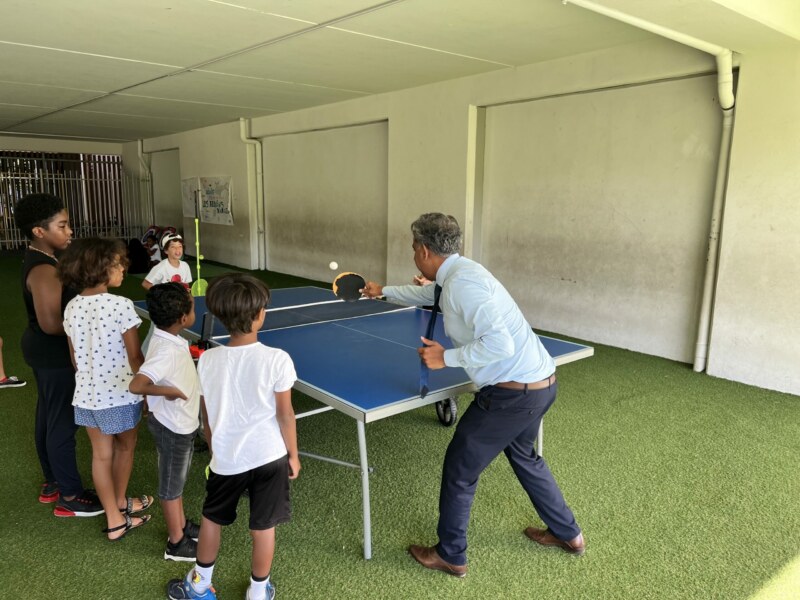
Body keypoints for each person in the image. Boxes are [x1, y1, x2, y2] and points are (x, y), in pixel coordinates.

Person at [362, 212, 585, 577]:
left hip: (512, 395)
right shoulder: (461, 273)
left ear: (422, 249)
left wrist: (444, 357)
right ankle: (569, 533)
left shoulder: (463, 285)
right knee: (525, 458)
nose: (413, 254)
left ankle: (451, 553)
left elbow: (500, 343)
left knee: (459, 470)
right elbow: (427, 293)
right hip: (539, 383)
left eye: (412, 248)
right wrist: (382, 291)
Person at [167, 273, 300, 600]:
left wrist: (215, 449)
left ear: (221, 318)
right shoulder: (277, 359)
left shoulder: (208, 359)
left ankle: (199, 585)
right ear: (260, 315)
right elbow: (285, 414)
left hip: (226, 459)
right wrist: (293, 455)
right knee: (263, 527)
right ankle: (257, 591)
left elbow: (207, 416)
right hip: (270, 457)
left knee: (212, 518)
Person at [58, 237, 152, 540]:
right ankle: (121, 504)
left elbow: (74, 359)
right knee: (125, 446)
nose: (123, 268)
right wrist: (147, 392)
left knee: (101, 456)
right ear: (99, 269)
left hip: (85, 396)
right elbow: (135, 357)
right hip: (121, 394)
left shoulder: (71, 306)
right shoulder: (121, 306)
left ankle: (113, 518)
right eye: (117, 263)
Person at [14, 193, 102, 514]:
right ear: (40, 231)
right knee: (62, 422)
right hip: (53, 354)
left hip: (43, 351)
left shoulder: (45, 260)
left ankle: (53, 481)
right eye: (62, 226)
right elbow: (52, 323)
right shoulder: (43, 270)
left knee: (48, 415)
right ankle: (69, 493)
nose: (69, 232)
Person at [129, 282, 201, 561]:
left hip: (179, 423)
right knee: (171, 487)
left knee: (177, 482)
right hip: (173, 427)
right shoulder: (165, 351)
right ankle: (176, 543)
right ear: (183, 319)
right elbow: (137, 385)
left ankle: (181, 525)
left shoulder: (165, 337)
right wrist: (168, 391)